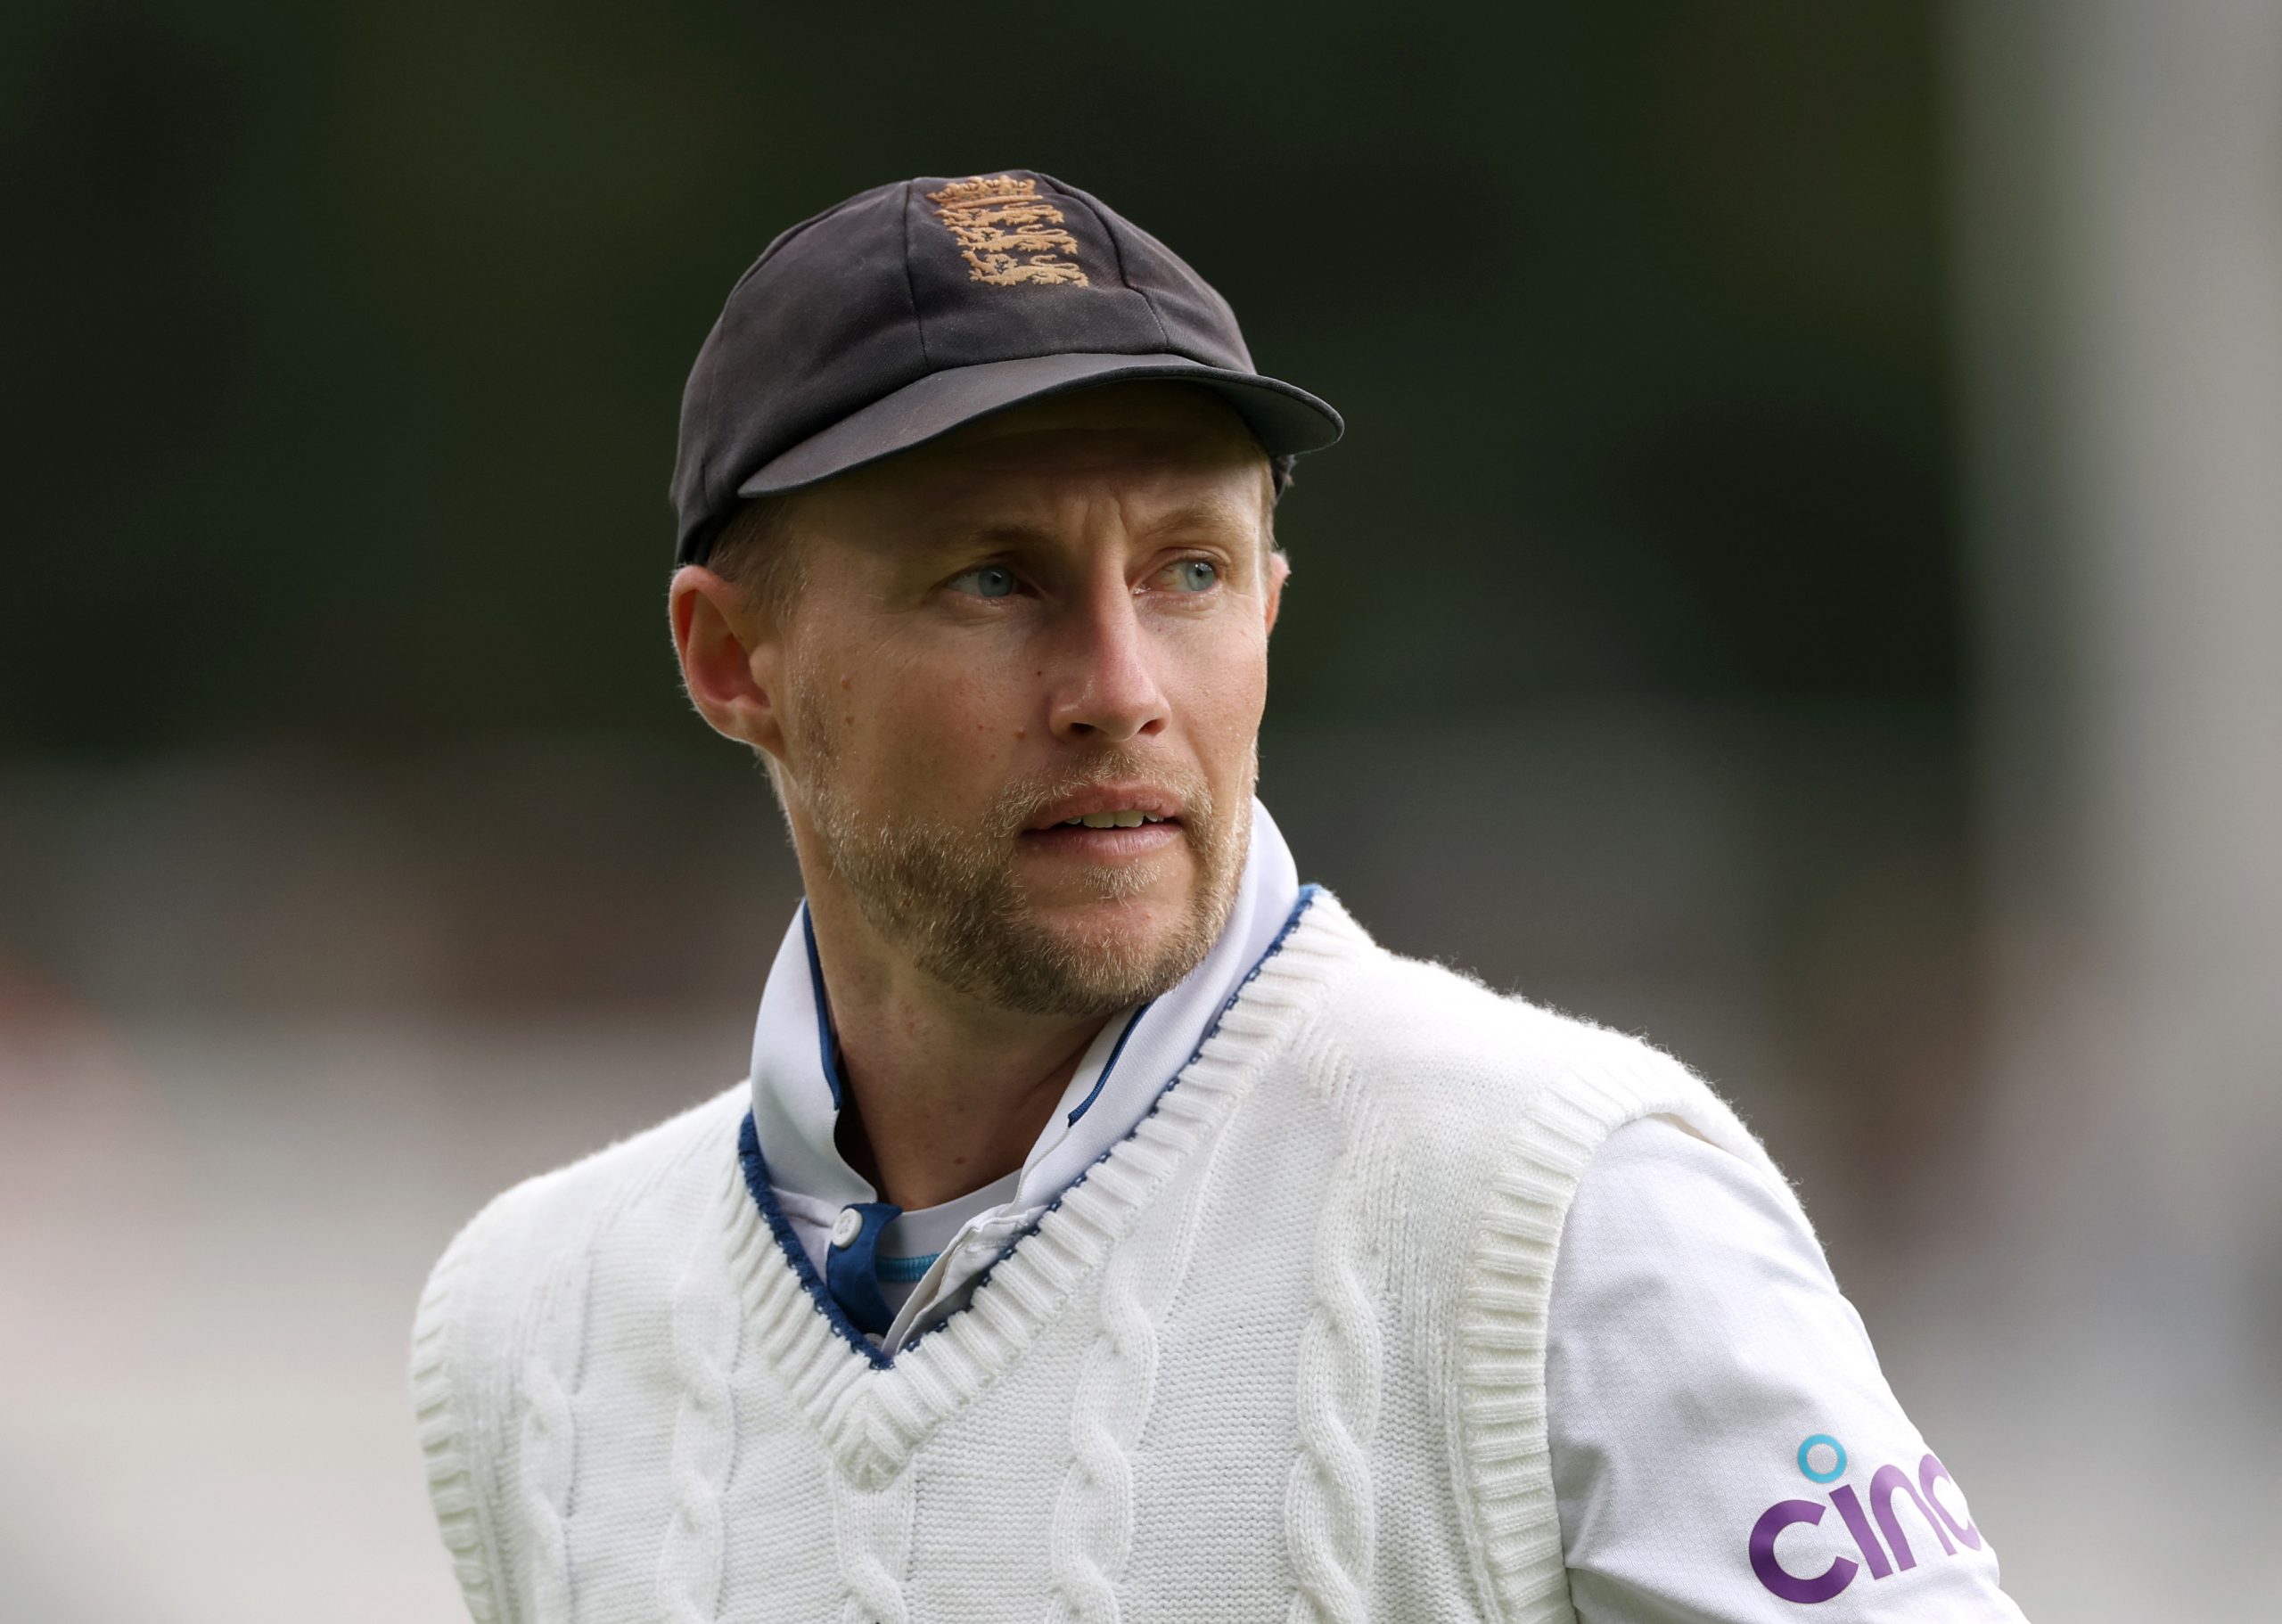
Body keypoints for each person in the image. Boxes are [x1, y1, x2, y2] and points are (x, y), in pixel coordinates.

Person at [411, 170, 2030, 1622]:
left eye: (1186, 570)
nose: (1121, 687)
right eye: (996, 578)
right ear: (728, 658)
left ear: (1268, 597)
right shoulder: (533, 1324)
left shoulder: (1571, 1207)